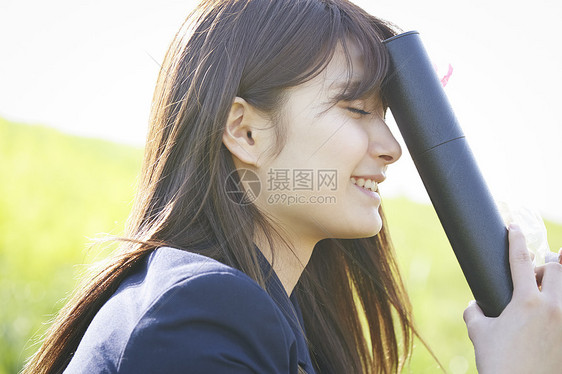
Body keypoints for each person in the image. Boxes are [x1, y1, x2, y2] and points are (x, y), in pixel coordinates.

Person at [22, 0, 562, 373]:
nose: (393, 147)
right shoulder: (203, 313)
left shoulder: (267, 318)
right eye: (356, 108)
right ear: (245, 130)